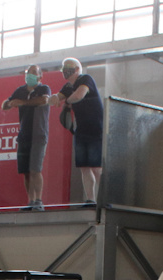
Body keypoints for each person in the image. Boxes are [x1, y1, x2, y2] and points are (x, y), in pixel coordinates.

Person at [2, 64, 52, 211]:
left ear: (40, 76)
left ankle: (38, 200)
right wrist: (10, 103)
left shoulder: (44, 89)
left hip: (38, 134)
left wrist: (23, 102)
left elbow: (44, 100)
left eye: (33, 73)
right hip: (24, 135)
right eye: (28, 73)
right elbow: (5, 104)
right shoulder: (20, 90)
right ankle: (30, 201)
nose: (29, 75)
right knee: (26, 171)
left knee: (35, 169)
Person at [55, 57, 103, 207]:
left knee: (96, 166)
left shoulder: (85, 79)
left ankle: (103, 198)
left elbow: (79, 95)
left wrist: (66, 102)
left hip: (96, 129)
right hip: (80, 130)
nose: (65, 71)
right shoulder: (68, 87)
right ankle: (90, 199)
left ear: (77, 69)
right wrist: (51, 99)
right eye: (63, 68)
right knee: (84, 166)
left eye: (68, 68)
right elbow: (56, 97)